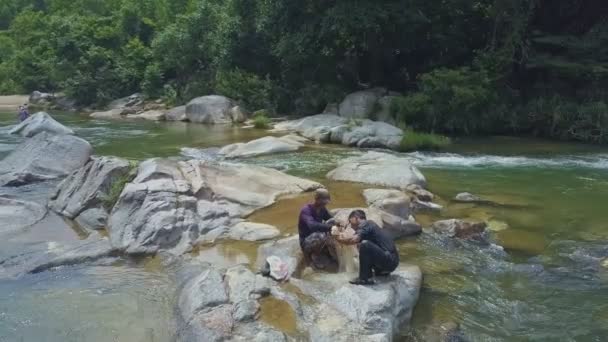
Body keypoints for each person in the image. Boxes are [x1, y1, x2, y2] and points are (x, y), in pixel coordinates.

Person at [335, 210, 399, 285]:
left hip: (389, 261)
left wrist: (337, 238)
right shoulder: (368, 228)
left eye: (350, 221)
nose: (350, 225)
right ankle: (379, 273)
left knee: (365, 244)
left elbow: (353, 240)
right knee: (362, 246)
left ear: (356, 218)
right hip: (390, 262)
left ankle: (365, 278)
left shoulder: (366, 223)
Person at [298, 188, 338, 269]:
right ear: (318, 199)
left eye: (327, 200)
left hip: (315, 235)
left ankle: (325, 250)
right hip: (306, 240)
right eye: (324, 200)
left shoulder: (322, 209)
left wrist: (339, 224)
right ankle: (311, 256)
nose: (326, 202)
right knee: (321, 235)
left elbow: (330, 219)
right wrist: (330, 228)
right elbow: (312, 226)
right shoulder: (306, 210)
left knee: (332, 223)